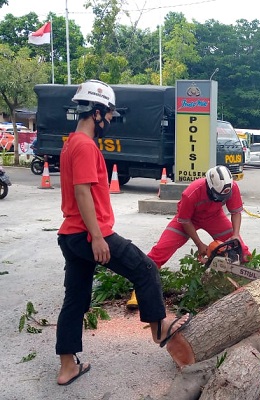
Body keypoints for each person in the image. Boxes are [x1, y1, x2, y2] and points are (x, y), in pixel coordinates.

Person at [56, 79, 189, 386]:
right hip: (90, 234)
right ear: (97, 112)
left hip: (70, 235)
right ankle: (160, 327)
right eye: (110, 114)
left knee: (75, 301)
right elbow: (82, 193)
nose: (111, 121)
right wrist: (99, 237)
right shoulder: (85, 146)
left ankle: (67, 367)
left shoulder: (69, 145)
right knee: (144, 269)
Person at [127, 165, 251, 308]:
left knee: (240, 248)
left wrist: (235, 235)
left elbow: (236, 212)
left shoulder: (231, 187)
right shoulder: (191, 193)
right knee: (161, 249)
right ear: (209, 186)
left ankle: (246, 280)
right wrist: (199, 244)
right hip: (187, 220)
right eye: (217, 196)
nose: (220, 199)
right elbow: (184, 220)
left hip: (214, 216)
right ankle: (139, 291)